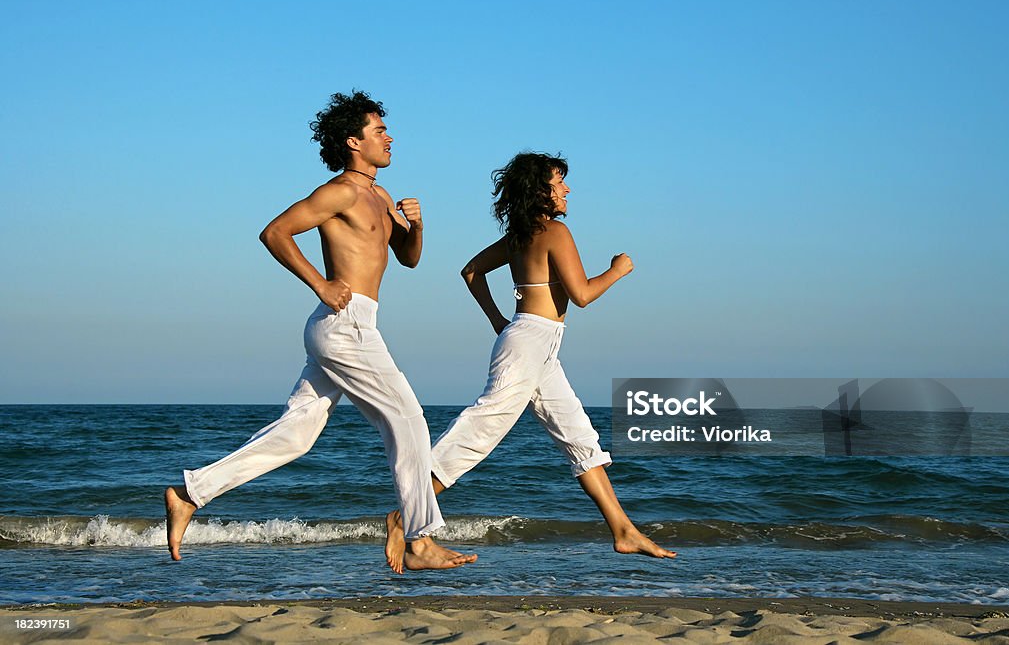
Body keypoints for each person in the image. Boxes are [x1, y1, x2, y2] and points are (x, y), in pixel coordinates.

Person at [164, 90, 476, 571]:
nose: (389, 138)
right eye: (379, 131)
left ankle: (191, 492)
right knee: (409, 419)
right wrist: (321, 283)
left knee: (296, 437)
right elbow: (275, 232)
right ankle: (418, 538)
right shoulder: (342, 191)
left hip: (354, 323)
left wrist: (416, 227)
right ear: (354, 141)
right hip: (344, 325)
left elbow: (408, 260)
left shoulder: (381, 195)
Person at [384, 152, 675, 572]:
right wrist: (617, 270)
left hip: (535, 343)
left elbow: (470, 272)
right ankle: (405, 517)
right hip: (528, 344)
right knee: (479, 432)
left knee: (579, 436)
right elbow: (582, 294)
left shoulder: (520, 236)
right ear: (541, 191)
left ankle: (623, 531)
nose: (567, 189)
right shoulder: (556, 231)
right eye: (560, 182)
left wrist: (500, 321)